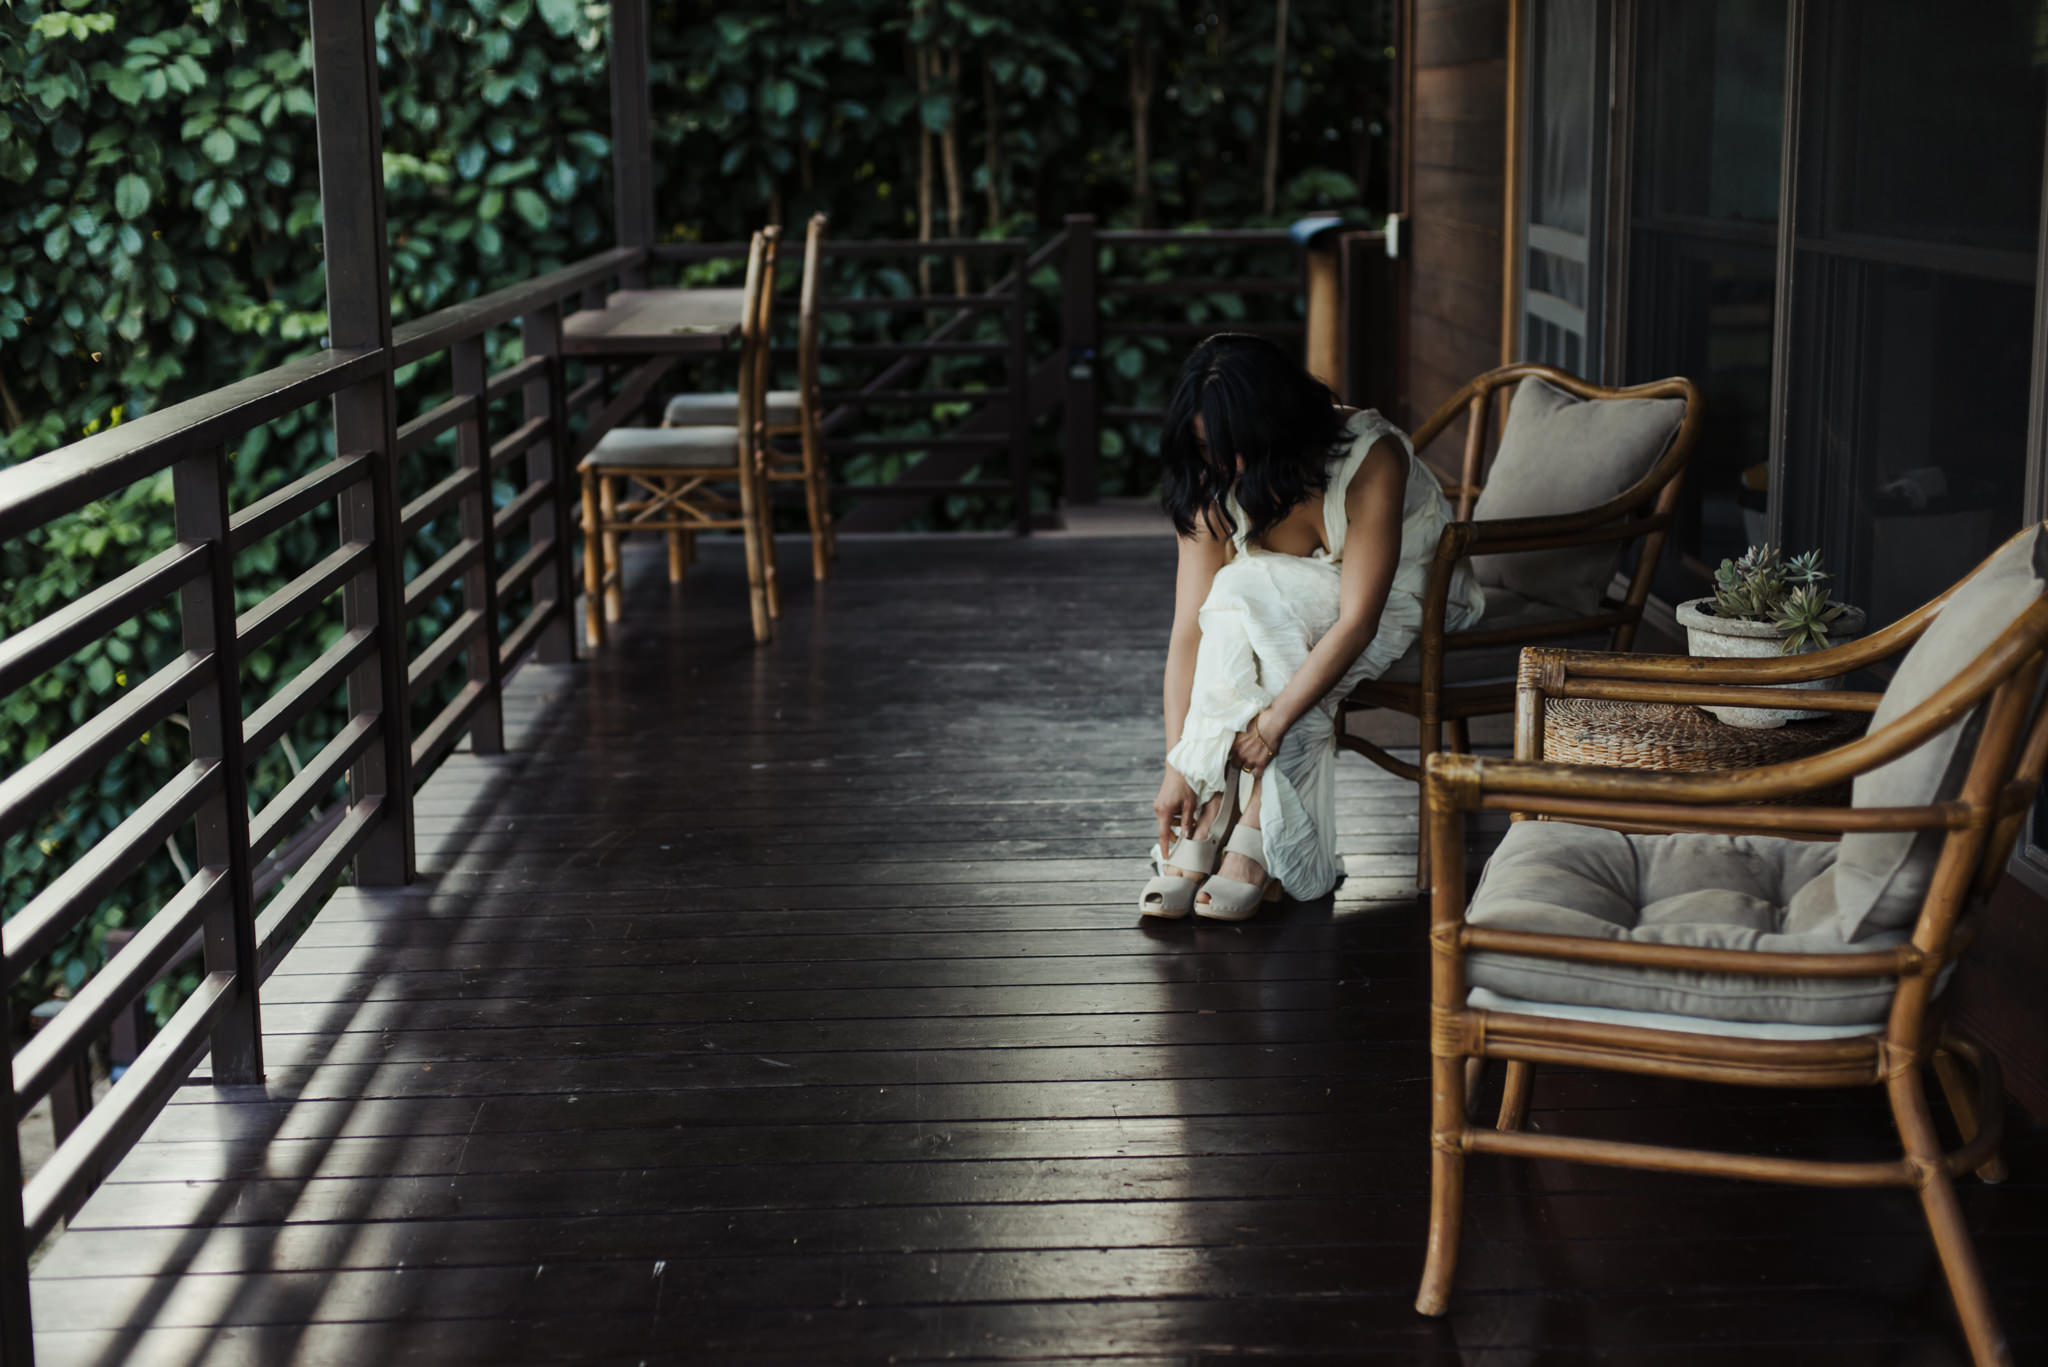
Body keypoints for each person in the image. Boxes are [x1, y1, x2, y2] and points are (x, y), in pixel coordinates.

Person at [1141, 333, 1486, 921]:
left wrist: (1272, 725)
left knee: (1245, 593)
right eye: (1207, 446)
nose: (1225, 465)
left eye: (1238, 447)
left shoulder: (1369, 456)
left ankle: (1241, 829)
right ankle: (1222, 809)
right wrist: (1180, 762)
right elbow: (1189, 634)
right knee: (1234, 602)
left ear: (1279, 424)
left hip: (1403, 598)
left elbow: (1358, 620)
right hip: (1275, 608)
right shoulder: (1209, 480)